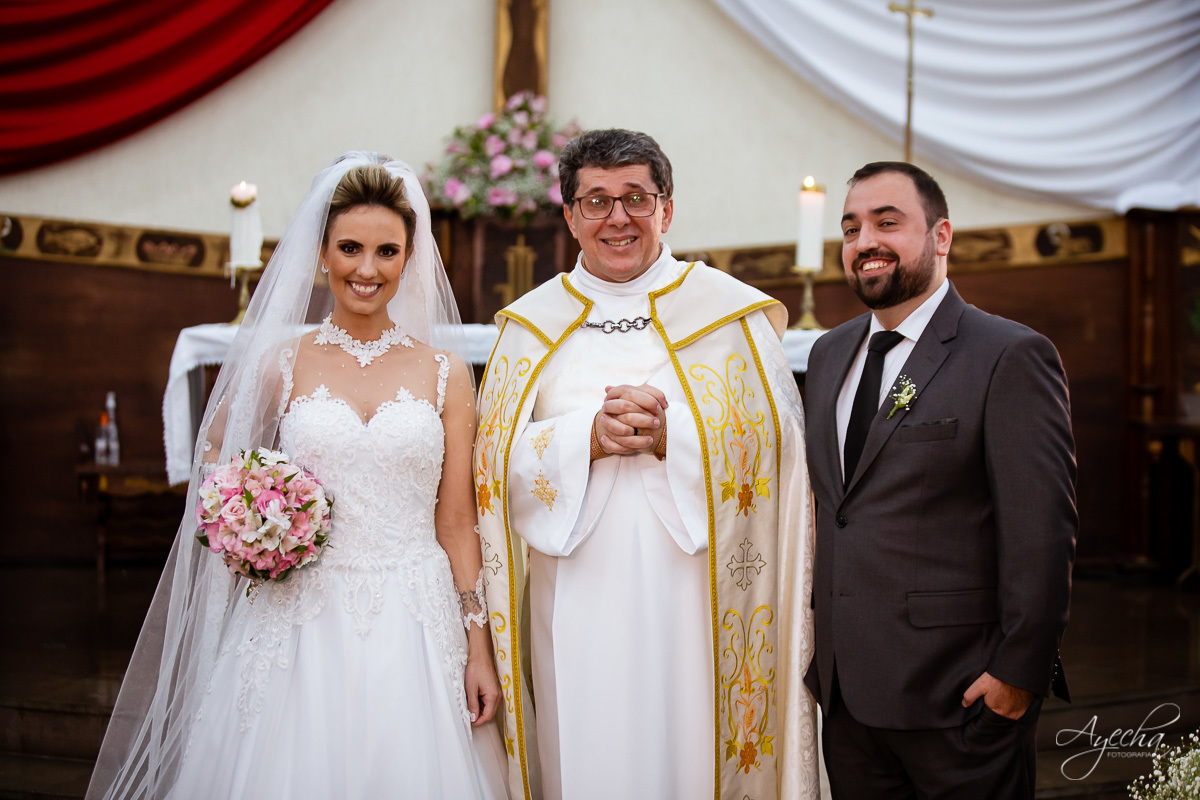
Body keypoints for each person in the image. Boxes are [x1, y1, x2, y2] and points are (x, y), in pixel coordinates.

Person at [87, 153, 508, 799]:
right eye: (350, 248)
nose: (367, 269)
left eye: (387, 252)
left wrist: (478, 648)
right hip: (299, 616)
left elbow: (455, 523)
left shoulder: (448, 373)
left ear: (408, 259)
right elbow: (216, 462)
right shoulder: (279, 364)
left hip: (416, 620)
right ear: (321, 253)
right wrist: (252, 520)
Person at [472, 128, 819, 800]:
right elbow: (491, 471)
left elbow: (780, 450)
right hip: (573, 586)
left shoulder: (728, 315)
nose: (618, 218)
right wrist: (585, 440)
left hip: (695, 590)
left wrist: (673, 436)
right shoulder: (528, 327)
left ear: (666, 209)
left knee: (688, 747)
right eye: (596, 202)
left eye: (636, 198)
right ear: (569, 216)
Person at [803, 161, 1077, 798]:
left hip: (959, 699)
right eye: (850, 228)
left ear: (941, 236)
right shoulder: (826, 354)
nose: (864, 241)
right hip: (847, 701)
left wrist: (1019, 672)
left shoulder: (1007, 355)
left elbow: (1043, 532)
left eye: (887, 222)